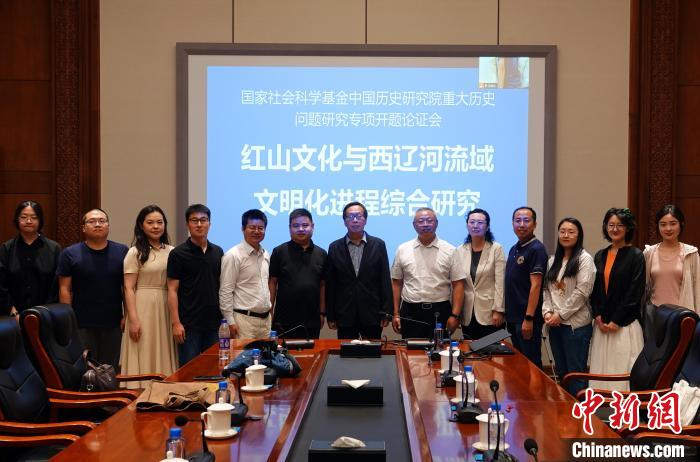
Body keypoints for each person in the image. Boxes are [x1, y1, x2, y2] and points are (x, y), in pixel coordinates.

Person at [57, 208, 128, 367]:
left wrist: (127, 315)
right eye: (92, 221)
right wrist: (68, 320)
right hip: (81, 323)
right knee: (84, 369)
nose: (97, 224)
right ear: (83, 228)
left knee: (109, 369)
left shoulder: (122, 251)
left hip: (113, 322)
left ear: (108, 226)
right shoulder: (70, 253)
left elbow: (127, 287)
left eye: (102, 221)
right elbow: (64, 289)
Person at [120, 205, 177, 387]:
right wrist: (133, 319)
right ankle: (140, 391)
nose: (156, 226)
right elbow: (128, 288)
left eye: (160, 222)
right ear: (141, 225)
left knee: (163, 349)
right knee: (144, 348)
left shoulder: (172, 251)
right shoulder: (135, 252)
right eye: (150, 222)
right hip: (142, 305)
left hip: (165, 305)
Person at [589, 208, 645, 392]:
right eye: (611, 225)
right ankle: (602, 408)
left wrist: (616, 320)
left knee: (621, 371)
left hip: (624, 325)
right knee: (601, 371)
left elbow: (635, 293)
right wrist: (597, 316)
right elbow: (594, 290)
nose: (615, 229)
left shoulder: (636, 256)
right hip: (602, 325)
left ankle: (623, 409)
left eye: (620, 225)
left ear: (628, 228)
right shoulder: (600, 255)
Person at [542, 217, 596, 396]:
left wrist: (561, 315)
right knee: (562, 373)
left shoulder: (585, 259)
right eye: (562, 231)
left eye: (571, 232)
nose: (566, 235)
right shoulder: (552, 260)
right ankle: (565, 410)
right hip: (555, 325)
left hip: (575, 326)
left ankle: (579, 410)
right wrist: (547, 312)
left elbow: (582, 292)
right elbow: (547, 290)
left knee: (576, 374)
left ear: (579, 235)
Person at [391, 208, 463, 339]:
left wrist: (455, 315)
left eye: (429, 220)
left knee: (439, 350)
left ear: (437, 223)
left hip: (440, 311)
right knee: (411, 350)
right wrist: (395, 313)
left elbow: (458, 284)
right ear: (414, 225)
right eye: (420, 221)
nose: (425, 224)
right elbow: (397, 283)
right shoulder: (403, 249)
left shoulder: (450, 250)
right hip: (410, 311)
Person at [167, 204, 224, 366]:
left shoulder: (218, 252)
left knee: (214, 369)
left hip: (214, 324)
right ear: (187, 224)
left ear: (209, 224)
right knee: (189, 370)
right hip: (189, 325)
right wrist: (176, 323)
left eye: (203, 220)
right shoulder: (178, 254)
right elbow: (172, 290)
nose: (199, 224)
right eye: (194, 220)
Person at [326, 202, 392, 339]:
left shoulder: (378, 245)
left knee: (373, 350)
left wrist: (386, 312)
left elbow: (384, 279)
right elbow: (331, 284)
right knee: (346, 350)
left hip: (372, 313)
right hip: (344, 313)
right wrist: (331, 315)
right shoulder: (334, 247)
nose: (355, 220)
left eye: (359, 216)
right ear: (344, 221)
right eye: (350, 217)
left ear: (365, 220)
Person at [269, 208, 327, 339]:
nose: (301, 229)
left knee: (312, 351)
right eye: (296, 226)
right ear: (289, 228)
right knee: (284, 352)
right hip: (284, 319)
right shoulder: (279, 251)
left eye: (305, 225)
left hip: (312, 319)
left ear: (312, 227)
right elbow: (272, 282)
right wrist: (270, 311)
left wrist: (322, 313)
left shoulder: (322, 254)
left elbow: (323, 285)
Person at [0, 200, 61, 318]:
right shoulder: (6, 249)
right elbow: (1, 285)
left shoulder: (54, 248)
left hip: (47, 316)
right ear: (17, 220)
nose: (28, 221)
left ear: (40, 221)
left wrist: (46, 313)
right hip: (12, 317)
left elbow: (56, 286)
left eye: (34, 217)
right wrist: (12, 311)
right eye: (24, 217)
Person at [451, 208, 506, 340]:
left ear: (487, 227)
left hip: (490, 313)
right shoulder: (459, 250)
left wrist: (498, 310)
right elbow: (457, 284)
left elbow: (500, 282)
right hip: (467, 314)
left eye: (480, 222)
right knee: (470, 349)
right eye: (472, 222)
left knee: (491, 350)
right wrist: (456, 314)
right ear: (467, 225)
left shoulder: (496, 249)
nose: (475, 226)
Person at [504, 206, 548, 368]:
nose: (521, 224)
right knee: (520, 364)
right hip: (513, 317)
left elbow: (536, 286)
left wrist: (529, 318)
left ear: (535, 224)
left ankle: (537, 387)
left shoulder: (537, 249)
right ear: (512, 224)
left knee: (532, 364)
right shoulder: (514, 248)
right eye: (518, 220)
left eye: (526, 220)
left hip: (526, 319)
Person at [219, 209, 271, 339]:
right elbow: (225, 290)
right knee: (243, 353)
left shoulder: (266, 254)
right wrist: (230, 321)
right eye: (252, 227)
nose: (256, 231)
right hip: (243, 321)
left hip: (265, 321)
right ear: (243, 228)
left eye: (261, 228)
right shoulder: (233, 255)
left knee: (266, 353)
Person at [643, 204, 700, 313]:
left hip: (682, 314)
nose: (668, 228)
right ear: (658, 226)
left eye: (673, 223)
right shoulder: (649, 252)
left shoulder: (691, 253)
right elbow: (643, 288)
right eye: (663, 224)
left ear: (681, 224)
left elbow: (698, 290)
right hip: (655, 314)